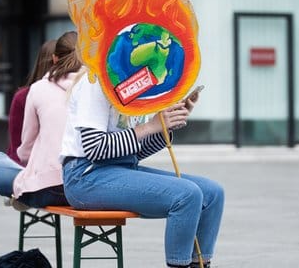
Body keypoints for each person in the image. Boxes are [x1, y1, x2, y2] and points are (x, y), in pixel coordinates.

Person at [60, 75, 224, 268]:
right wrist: (150, 126)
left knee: (213, 193)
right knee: (187, 195)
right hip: (86, 176)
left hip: (121, 168)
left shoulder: (136, 83)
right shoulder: (95, 82)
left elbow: (136, 151)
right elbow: (95, 148)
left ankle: (200, 264)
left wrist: (165, 126)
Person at [0, 32, 81, 209]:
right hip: (85, 182)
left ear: (55, 59)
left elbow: (24, 150)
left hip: (48, 185)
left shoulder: (37, 90)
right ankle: (23, 189)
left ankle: (22, 194)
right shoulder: (96, 87)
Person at [6, 39, 57, 165]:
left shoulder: (23, 96)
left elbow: (16, 146)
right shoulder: (76, 93)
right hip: (40, 165)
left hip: (31, 166)